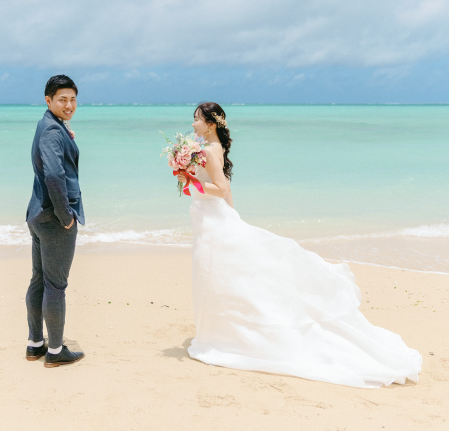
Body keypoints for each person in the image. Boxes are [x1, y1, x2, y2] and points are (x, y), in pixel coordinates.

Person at [178, 102, 421, 388]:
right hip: (213, 218)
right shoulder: (210, 148)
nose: (192, 124)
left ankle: (220, 337)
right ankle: (220, 334)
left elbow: (222, 188)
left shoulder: (207, 150)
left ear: (211, 123)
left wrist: (188, 183)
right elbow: (226, 190)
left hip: (212, 220)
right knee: (217, 278)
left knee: (213, 276)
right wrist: (233, 217)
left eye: (197, 119)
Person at [24, 75, 85, 368]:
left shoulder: (50, 124)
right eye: (62, 99)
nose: (69, 105)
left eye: (73, 99)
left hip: (37, 214)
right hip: (53, 218)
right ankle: (56, 350)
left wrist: (64, 130)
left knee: (40, 280)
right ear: (48, 100)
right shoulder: (51, 129)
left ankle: (36, 344)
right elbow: (53, 175)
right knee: (55, 286)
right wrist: (65, 216)